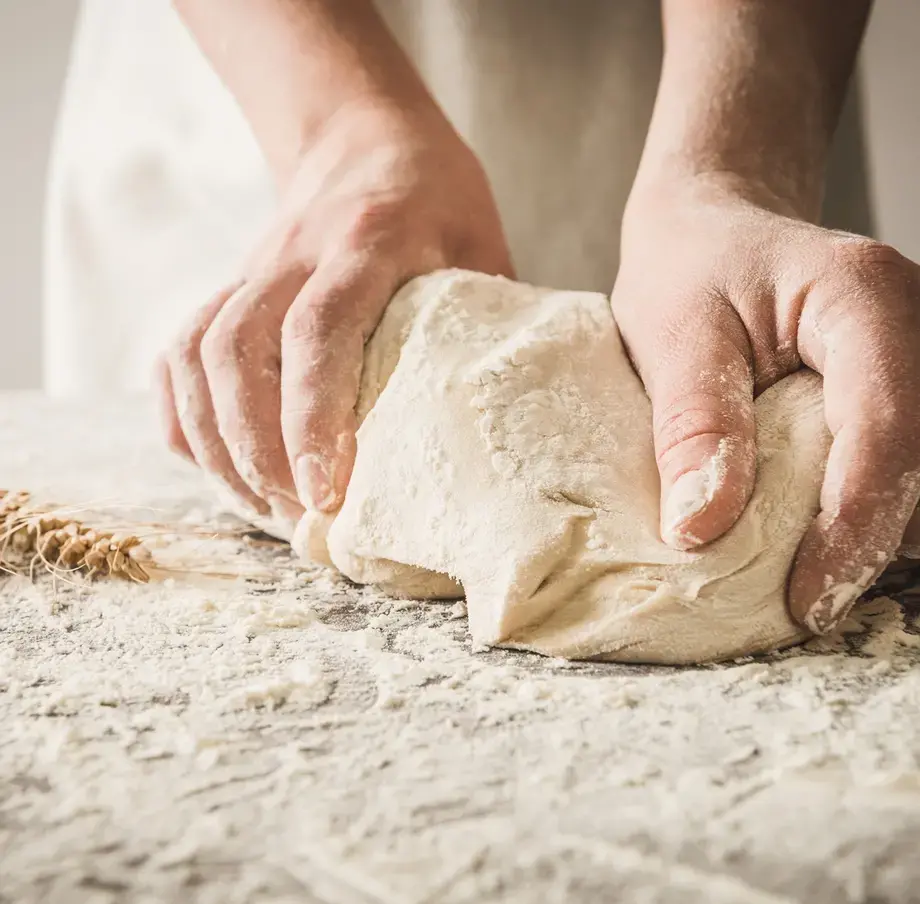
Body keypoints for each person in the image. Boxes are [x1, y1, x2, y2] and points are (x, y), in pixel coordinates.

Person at [46, 0, 920, 638]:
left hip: (718, 66)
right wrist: (340, 134)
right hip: (264, 81)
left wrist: (733, 167)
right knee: (301, 401)